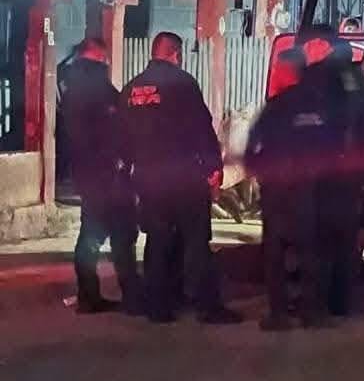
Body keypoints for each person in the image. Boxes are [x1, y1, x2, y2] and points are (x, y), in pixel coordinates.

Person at [246, 31, 364, 329]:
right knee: (312, 248)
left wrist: (261, 172)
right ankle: (311, 311)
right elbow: (339, 144)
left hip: (277, 188)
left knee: (275, 252)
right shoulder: (326, 104)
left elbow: (254, 144)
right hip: (311, 188)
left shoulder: (278, 105)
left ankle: (278, 313)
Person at [120, 32, 242, 325]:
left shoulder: (130, 89)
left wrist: (128, 173)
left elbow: (121, 138)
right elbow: (201, 128)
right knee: (196, 242)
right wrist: (213, 168)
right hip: (184, 177)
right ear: (176, 54)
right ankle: (207, 306)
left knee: (158, 240)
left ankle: (158, 307)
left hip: (148, 179)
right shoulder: (183, 83)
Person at [61, 37, 142, 315]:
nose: (105, 63)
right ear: (94, 57)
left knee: (93, 235)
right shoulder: (94, 89)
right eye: (103, 58)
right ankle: (131, 297)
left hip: (91, 176)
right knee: (118, 236)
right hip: (107, 176)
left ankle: (90, 296)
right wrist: (118, 161)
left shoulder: (74, 87)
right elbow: (109, 131)